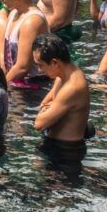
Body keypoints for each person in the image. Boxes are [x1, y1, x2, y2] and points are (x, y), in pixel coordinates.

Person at [32, 34, 90, 162]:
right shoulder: (61, 76)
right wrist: (49, 107)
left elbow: (38, 124)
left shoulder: (73, 87)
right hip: (54, 143)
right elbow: (44, 103)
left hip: (67, 151)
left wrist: (48, 109)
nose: (40, 70)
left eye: (41, 65)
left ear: (54, 62)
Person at [0, 0, 48, 89]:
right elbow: (3, 51)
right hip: (13, 79)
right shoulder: (13, 13)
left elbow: (23, 67)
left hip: (33, 87)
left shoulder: (32, 21)